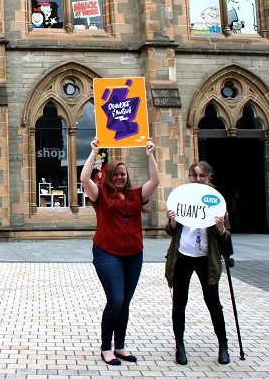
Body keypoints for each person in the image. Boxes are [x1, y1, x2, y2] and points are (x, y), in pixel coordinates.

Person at [80, 136, 159, 365]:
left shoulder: (136, 195)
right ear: (109, 176)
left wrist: (150, 154)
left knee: (125, 302)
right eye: (115, 174)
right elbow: (85, 178)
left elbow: (155, 181)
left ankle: (120, 346)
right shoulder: (101, 196)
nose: (119, 178)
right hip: (107, 253)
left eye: (123, 174)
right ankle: (106, 348)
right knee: (115, 300)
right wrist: (94, 151)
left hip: (134, 255)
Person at [165, 161, 232, 365]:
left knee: (213, 303)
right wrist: (173, 222)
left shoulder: (216, 202)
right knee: (179, 303)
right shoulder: (182, 198)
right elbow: (169, 231)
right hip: (183, 256)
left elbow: (226, 237)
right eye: (194, 176)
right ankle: (180, 345)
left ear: (208, 177)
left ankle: (223, 345)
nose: (197, 179)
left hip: (206, 259)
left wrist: (221, 228)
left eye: (202, 176)